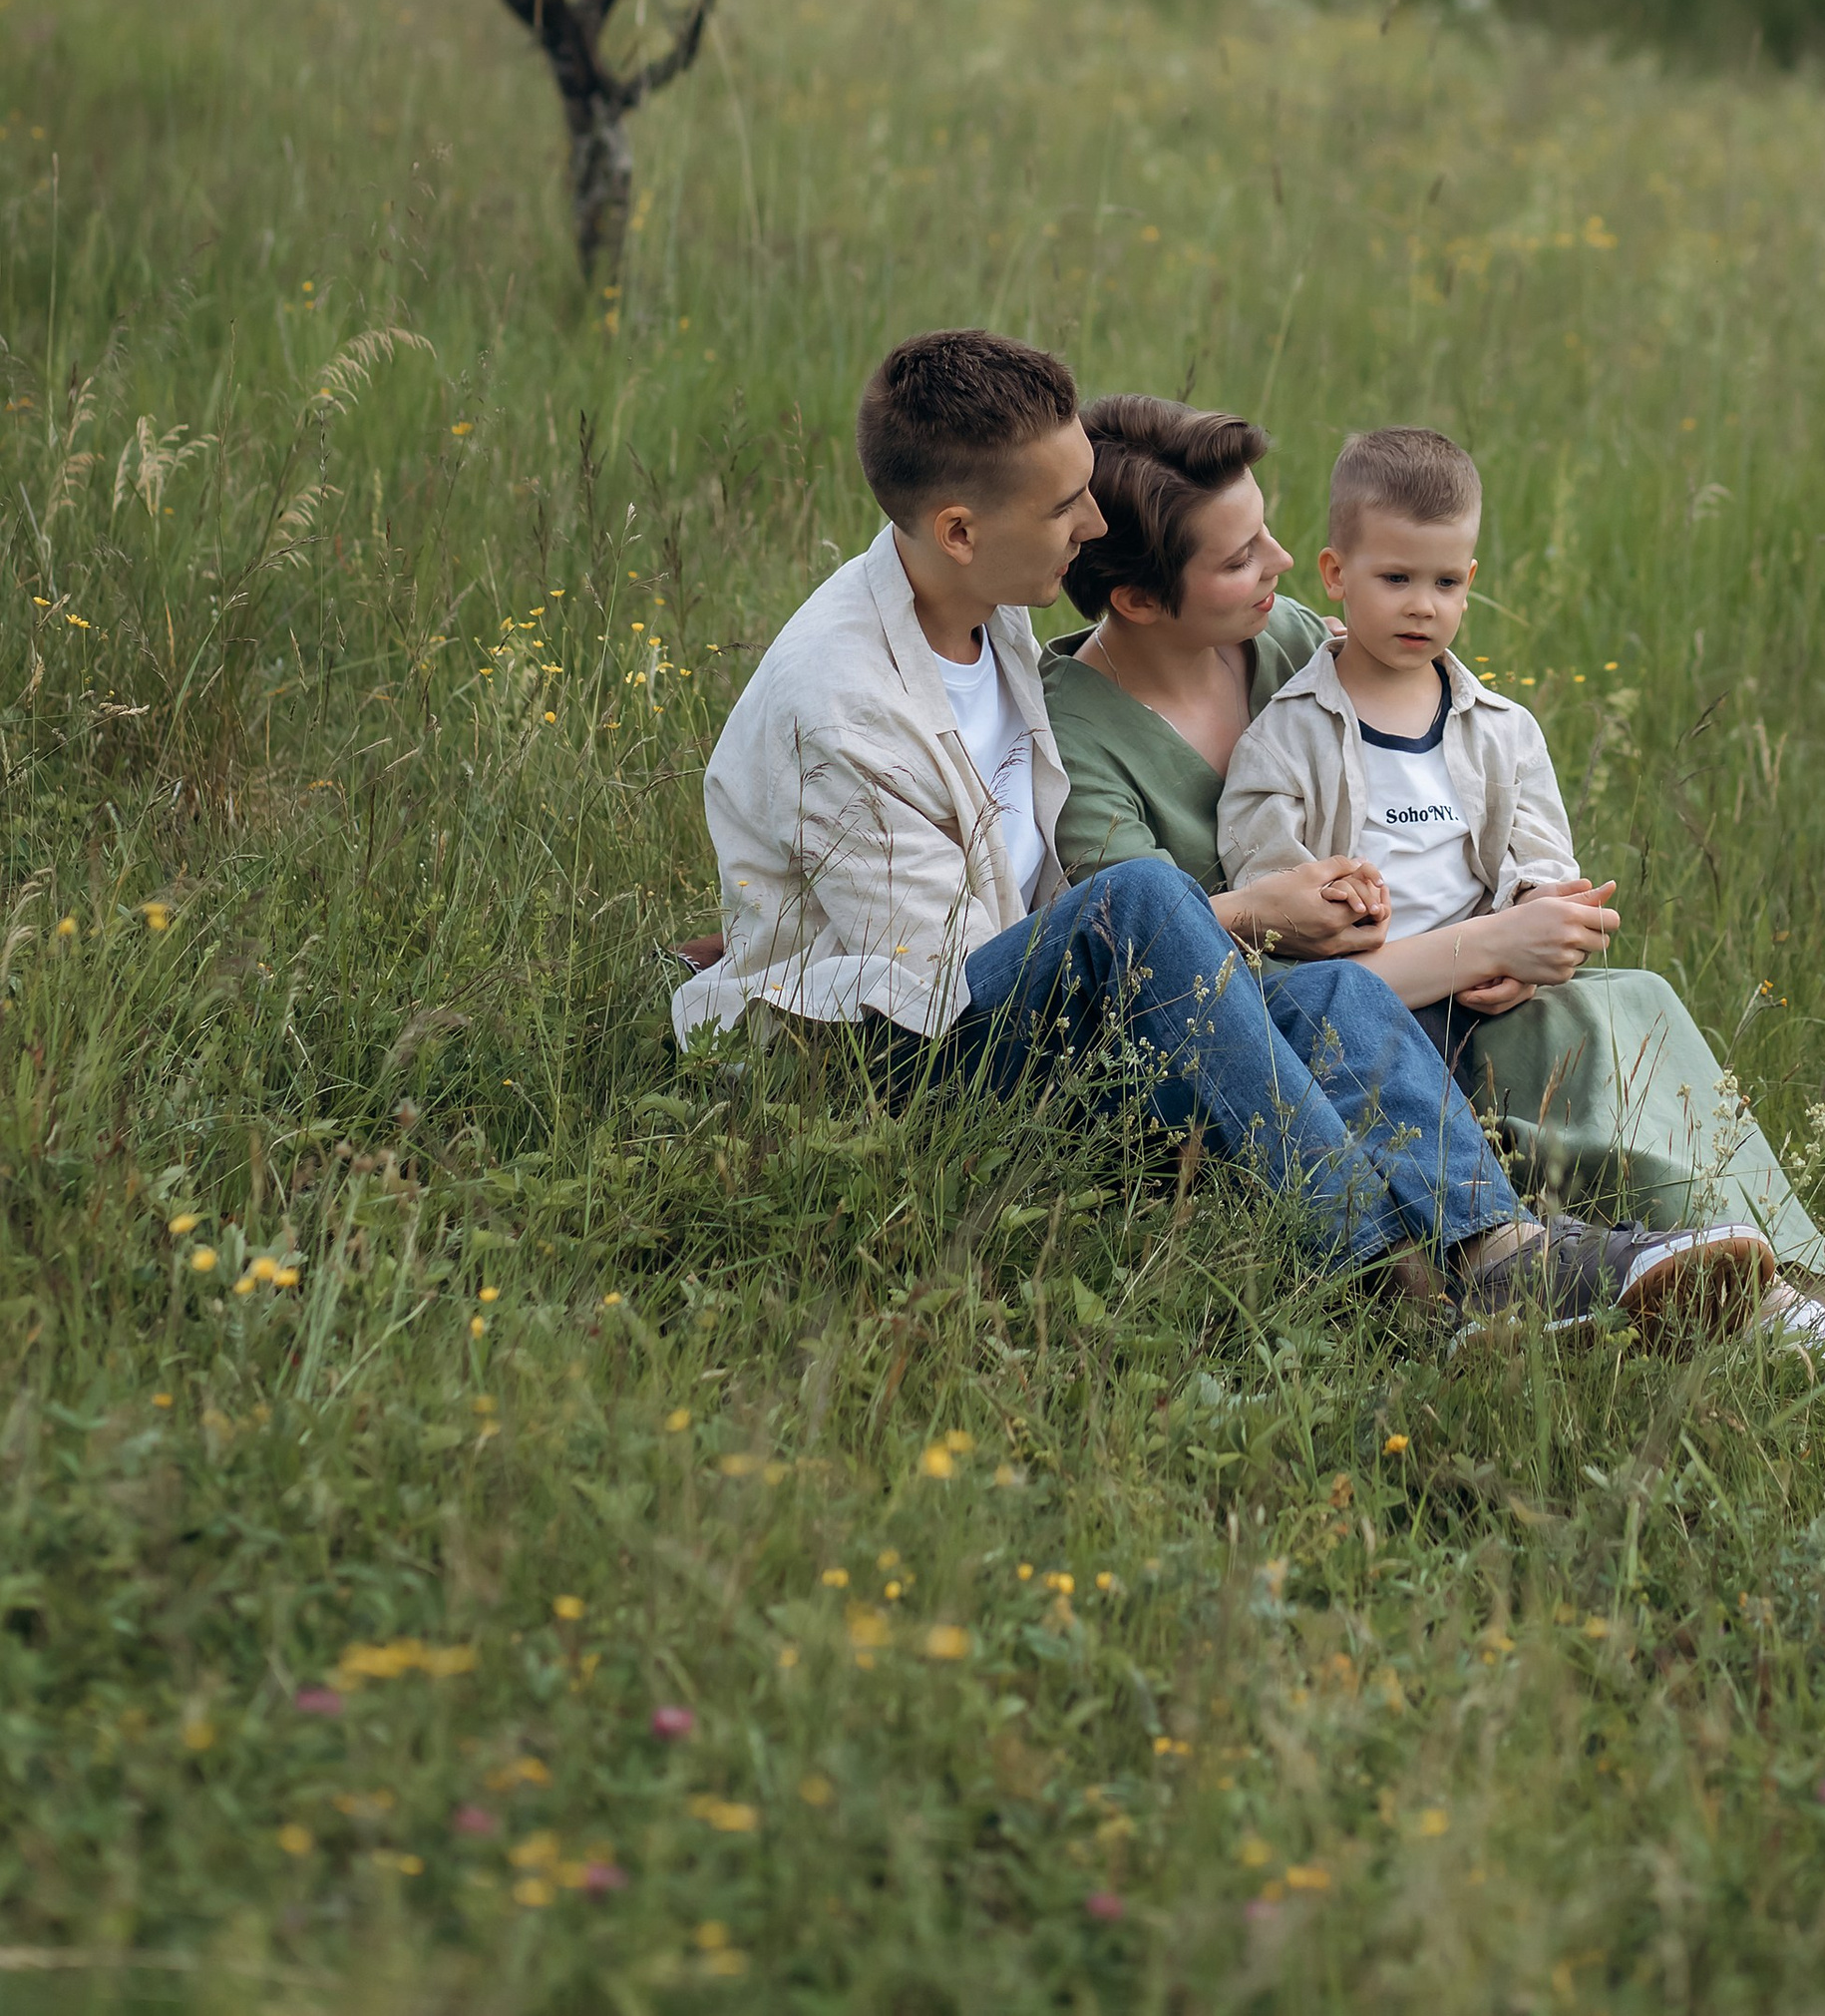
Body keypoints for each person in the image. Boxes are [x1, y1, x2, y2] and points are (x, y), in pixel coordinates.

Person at [671, 331, 1727, 1345]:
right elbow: (933, 1000)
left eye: (1086, 487)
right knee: (1147, 901)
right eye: (1063, 506)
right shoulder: (843, 709)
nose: (1090, 525)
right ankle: (1397, 1291)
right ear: (958, 527)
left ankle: (1502, 1253)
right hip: (900, 1071)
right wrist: (1239, 912)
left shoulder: (977, 594)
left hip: (1014, 990)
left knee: (1331, 992)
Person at [1052, 397, 1825, 1378]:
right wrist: (1479, 946)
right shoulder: (1075, 738)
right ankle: (1605, 1271)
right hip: (1285, 1028)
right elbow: (1158, 961)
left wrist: (1525, 909)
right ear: (1142, 602)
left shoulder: (1279, 631)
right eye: (1240, 556)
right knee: (1435, 1022)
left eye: (1270, 534)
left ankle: (1815, 1290)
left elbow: (1433, 731)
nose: (1280, 563)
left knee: (1625, 1007)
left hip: (1411, 984)